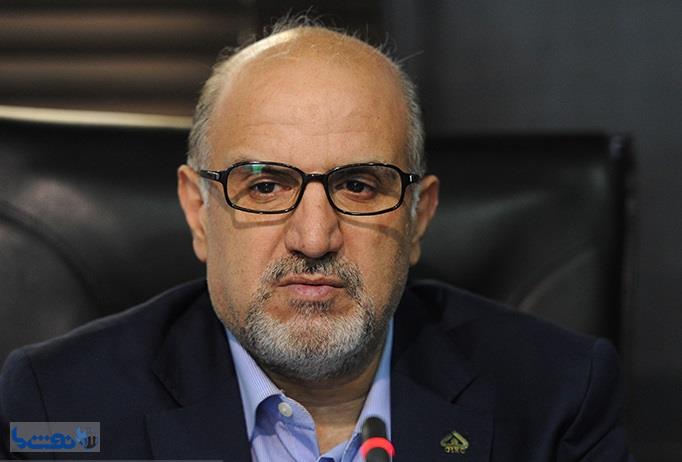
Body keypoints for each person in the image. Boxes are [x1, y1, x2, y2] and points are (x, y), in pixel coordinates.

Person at [0, 19, 633, 461]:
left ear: (418, 217)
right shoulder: (58, 408)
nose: (313, 237)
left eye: (358, 186)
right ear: (198, 212)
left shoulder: (559, 397)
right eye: (265, 186)